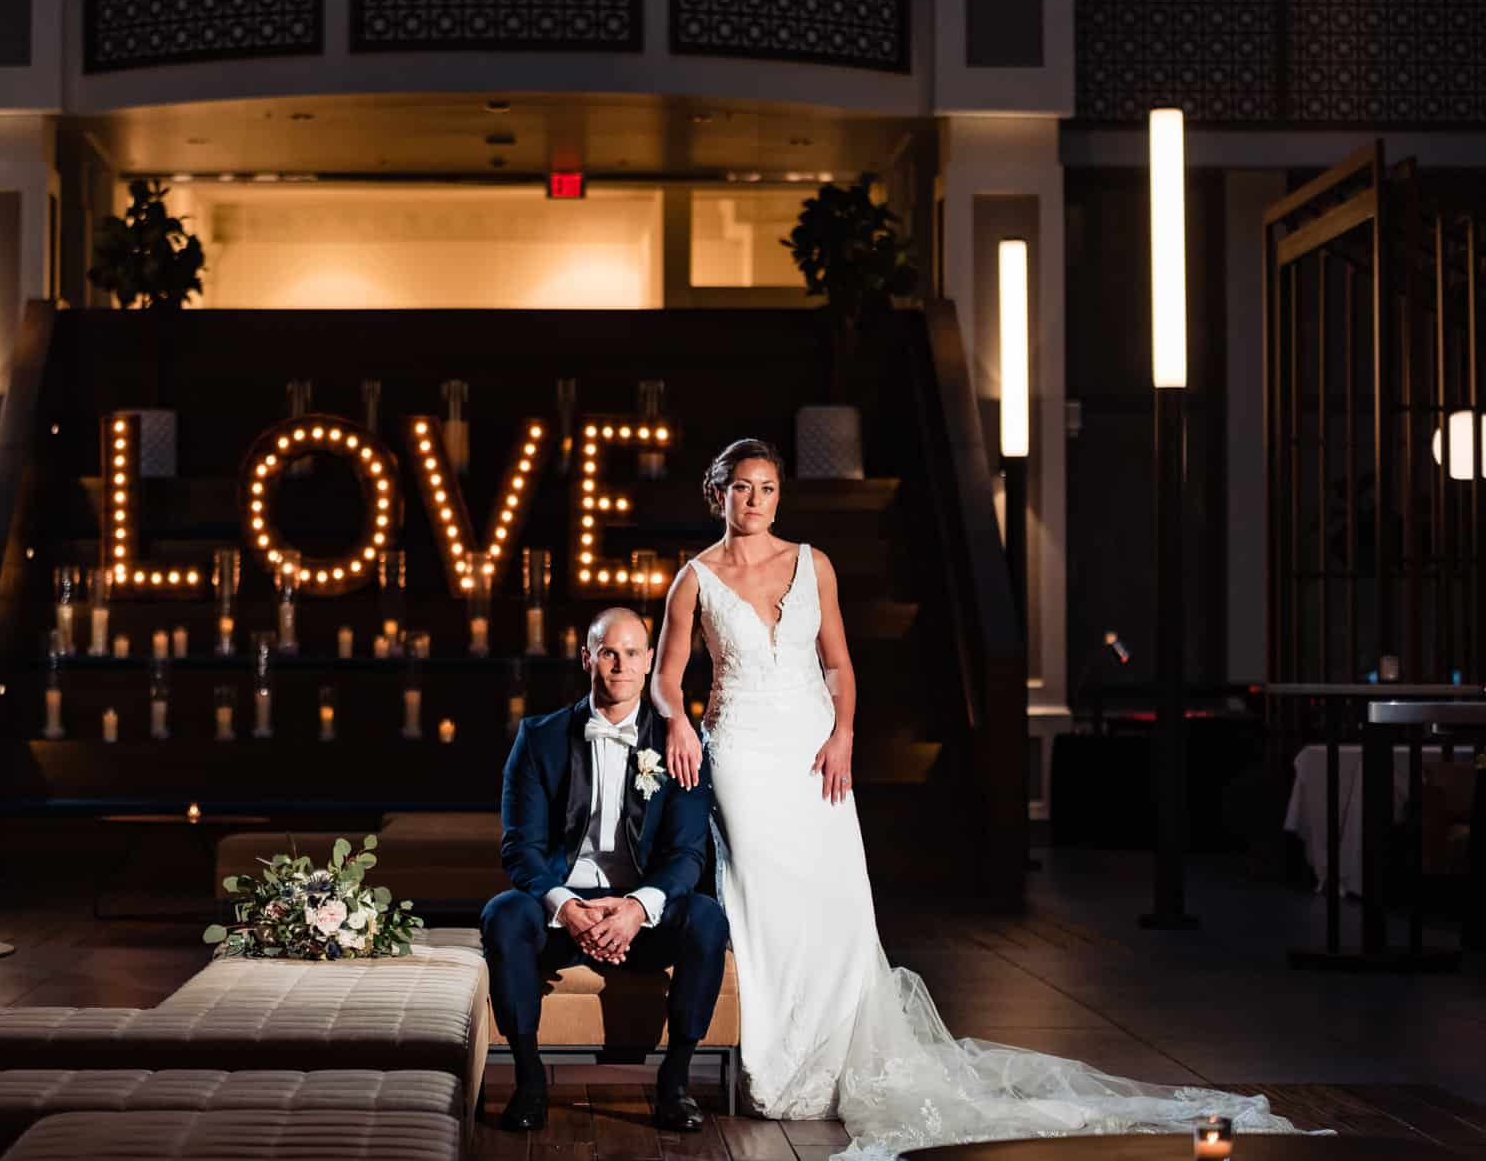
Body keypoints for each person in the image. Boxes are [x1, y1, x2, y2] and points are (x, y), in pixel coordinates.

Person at [653, 438, 1303, 1157]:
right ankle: (776, 1054)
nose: (757, 501)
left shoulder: (815, 564)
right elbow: (665, 675)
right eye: (743, 488)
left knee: (837, 898)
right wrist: (680, 718)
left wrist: (844, 733)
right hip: (742, 751)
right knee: (764, 901)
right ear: (718, 495)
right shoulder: (695, 579)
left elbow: (839, 663)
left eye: (769, 488)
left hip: (814, 751)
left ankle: (839, 1054)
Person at [482, 607, 729, 1134]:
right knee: (503, 913)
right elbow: (520, 849)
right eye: (608, 652)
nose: (619, 664)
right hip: (562, 915)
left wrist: (637, 908)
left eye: (632, 653)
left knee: (707, 919)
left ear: (648, 663)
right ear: (586, 657)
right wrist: (567, 908)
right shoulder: (540, 738)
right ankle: (529, 1082)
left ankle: (675, 1083)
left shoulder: (677, 742)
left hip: (641, 918)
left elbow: (687, 853)